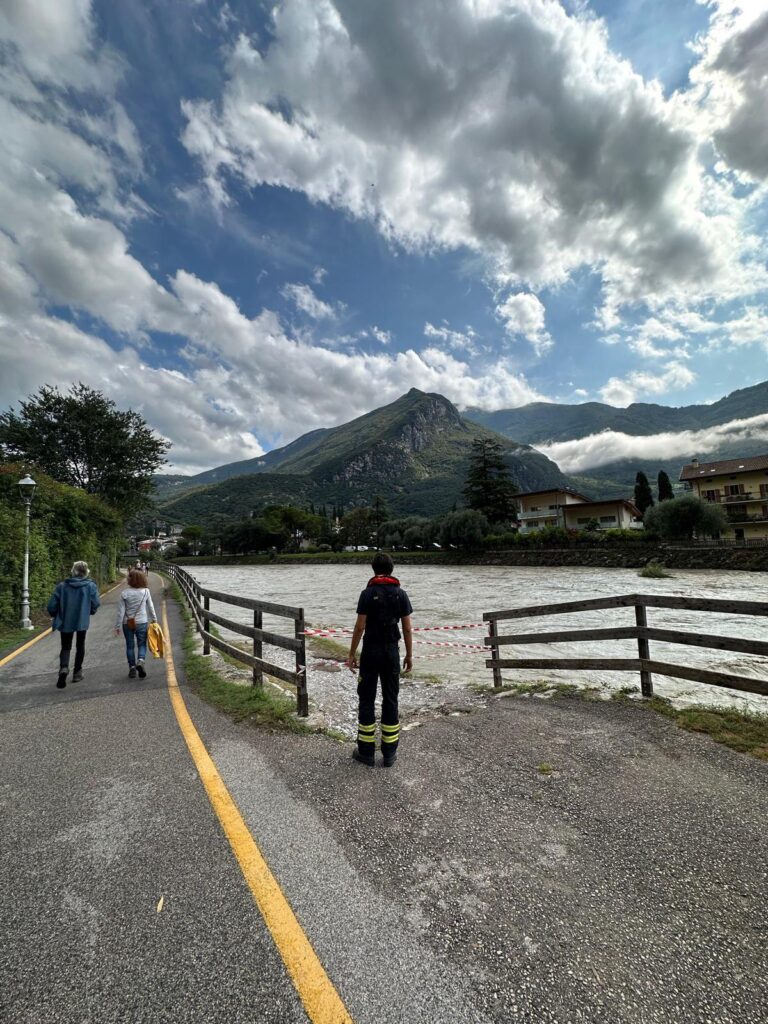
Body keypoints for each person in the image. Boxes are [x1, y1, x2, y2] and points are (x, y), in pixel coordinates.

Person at [345, 552, 413, 767]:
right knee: (391, 699)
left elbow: (359, 627)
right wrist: (409, 655)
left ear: (372, 569)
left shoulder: (367, 593)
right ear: (392, 569)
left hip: (371, 651)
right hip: (392, 652)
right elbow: (407, 628)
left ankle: (366, 752)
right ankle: (389, 753)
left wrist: (351, 653)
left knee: (366, 698)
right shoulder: (401, 594)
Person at [47, 561, 101, 688]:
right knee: (80, 645)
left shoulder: (62, 586)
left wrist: (55, 614)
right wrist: (91, 611)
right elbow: (96, 603)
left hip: (66, 620)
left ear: (73, 571)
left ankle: (64, 667)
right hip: (82, 620)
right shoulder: (90, 586)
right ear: (86, 572)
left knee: (65, 646)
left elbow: (51, 606)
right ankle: (77, 672)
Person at [114, 568, 157, 679]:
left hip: (127, 623)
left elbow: (121, 612)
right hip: (142, 622)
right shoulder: (146, 591)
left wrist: (117, 626)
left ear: (131, 580)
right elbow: (151, 606)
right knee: (141, 643)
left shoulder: (124, 593)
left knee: (130, 645)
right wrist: (154, 619)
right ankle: (141, 661)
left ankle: (132, 668)